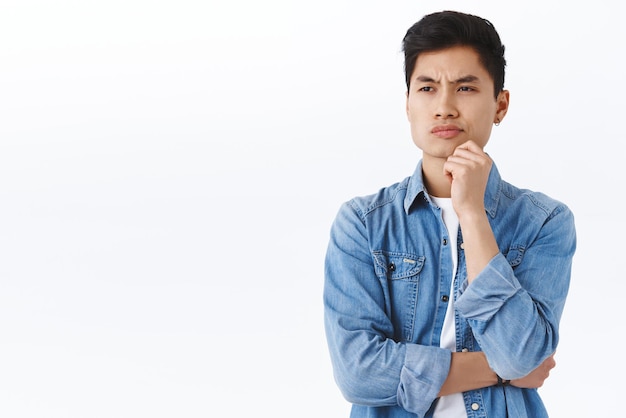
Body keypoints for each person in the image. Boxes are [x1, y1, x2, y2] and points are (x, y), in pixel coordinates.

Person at [323, 10, 576, 418]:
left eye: (465, 88)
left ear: (501, 104)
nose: (444, 107)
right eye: (426, 88)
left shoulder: (544, 222)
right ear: (407, 103)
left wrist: (473, 214)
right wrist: (498, 370)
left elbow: (522, 353)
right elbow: (359, 374)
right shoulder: (363, 224)